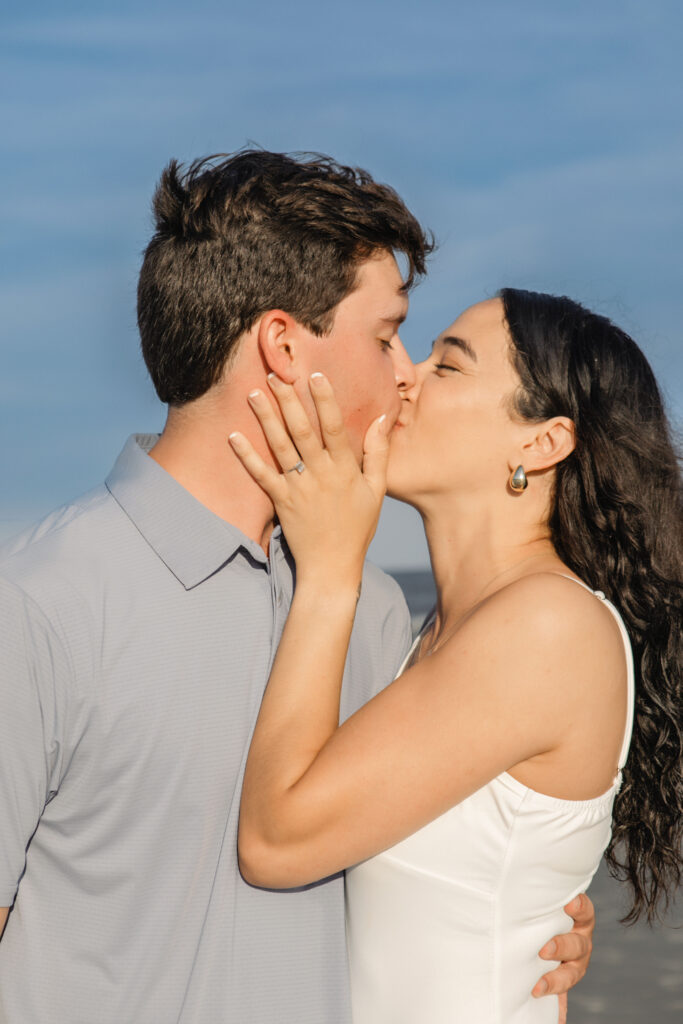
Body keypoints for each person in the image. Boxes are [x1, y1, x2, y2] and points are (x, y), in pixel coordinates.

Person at [0, 152, 593, 1023]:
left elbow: (438, 852)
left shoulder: (378, 614)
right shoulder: (40, 600)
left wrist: (525, 924)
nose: (405, 376)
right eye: (386, 335)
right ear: (283, 345)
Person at [234, 289, 683, 1022]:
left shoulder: (544, 627)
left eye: (447, 367)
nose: (404, 376)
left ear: (540, 443)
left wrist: (329, 574)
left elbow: (277, 841)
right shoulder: (451, 632)